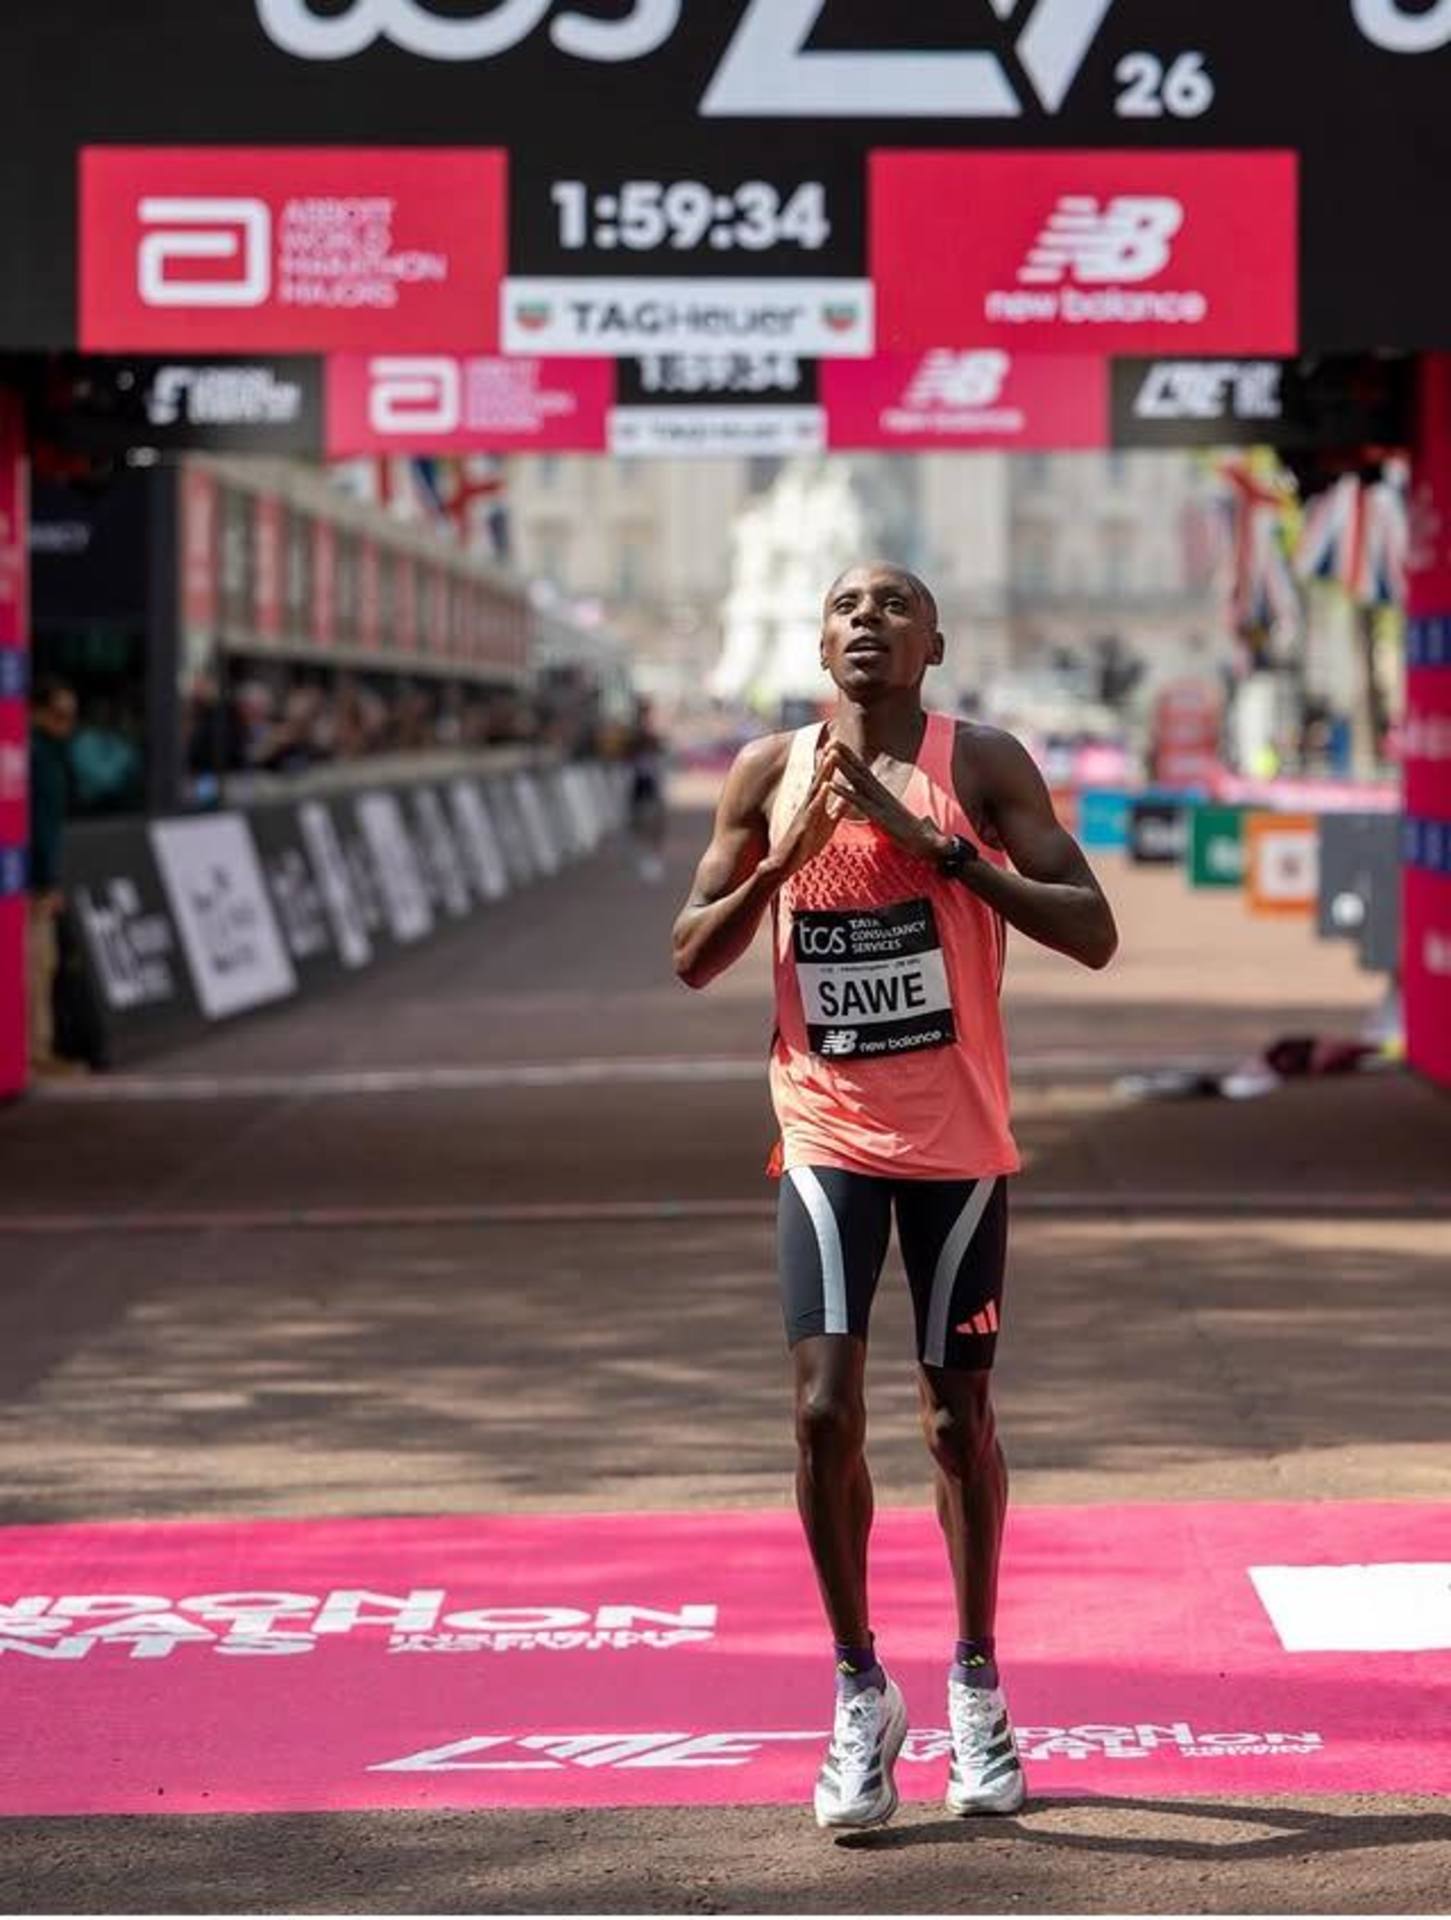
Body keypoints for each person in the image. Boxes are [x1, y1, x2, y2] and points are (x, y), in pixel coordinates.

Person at [672, 564, 1117, 1831]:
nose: (866, 619)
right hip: (824, 1132)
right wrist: (783, 864)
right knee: (821, 1411)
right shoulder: (766, 771)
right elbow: (690, 954)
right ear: (819, 645)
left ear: (933, 644)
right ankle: (858, 1688)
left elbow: (1090, 930)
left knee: (952, 1420)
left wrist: (943, 853)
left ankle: (974, 1679)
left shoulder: (979, 763)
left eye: (893, 605)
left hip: (957, 1141)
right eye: (844, 607)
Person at [26, 675, 79, 1077]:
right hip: (29, 882)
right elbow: (40, 827)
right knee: (38, 962)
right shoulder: (37, 758)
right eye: (59, 715)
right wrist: (46, 883)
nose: (67, 724)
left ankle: (38, 1048)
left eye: (71, 716)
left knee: (44, 962)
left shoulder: (53, 756)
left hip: (31, 877)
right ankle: (34, 1051)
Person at [627, 699, 668, 883]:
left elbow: (661, 749)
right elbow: (627, 752)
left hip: (652, 781)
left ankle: (654, 856)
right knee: (639, 819)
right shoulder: (634, 733)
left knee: (655, 819)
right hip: (638, 781)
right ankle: (644, 854)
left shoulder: (652, 732)